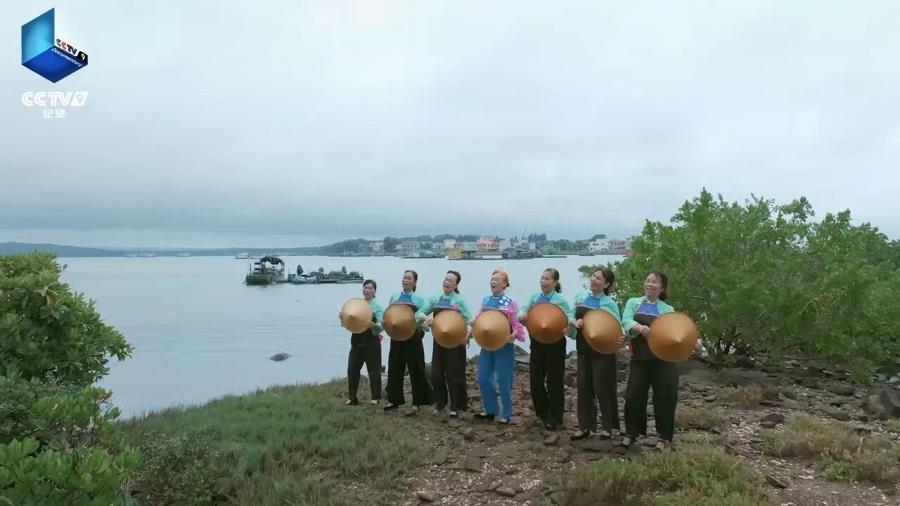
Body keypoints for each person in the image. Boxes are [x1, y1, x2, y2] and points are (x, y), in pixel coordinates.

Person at [621, 270, 677, 450]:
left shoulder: (668, 310)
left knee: (664, 398)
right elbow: (626, 321)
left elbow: (673, 333)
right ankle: (632, 432)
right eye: (647, 281)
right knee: (632, 396)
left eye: (654, 282)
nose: (649, 284)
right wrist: (639, 328)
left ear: (662, 288)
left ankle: (663, 437)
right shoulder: (634, 302)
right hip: (639, 358)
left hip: (662, 360)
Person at [569, 267, 624, 440]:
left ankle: (608, 427)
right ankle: (585, 426)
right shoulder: (581, 297)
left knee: (602, 387)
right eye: (593, 276)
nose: (593, 280)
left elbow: (617, 327)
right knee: (583, 386)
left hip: (602, 351)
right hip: (583, 348)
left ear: (606, 284)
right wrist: (574, 321)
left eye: (598, 278)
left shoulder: (609, 303)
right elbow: (570, 314)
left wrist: (620, 339)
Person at [517, 268, 571, 430]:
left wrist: (569, 327)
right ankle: (542, 411)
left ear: (555, 282)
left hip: (555, 343)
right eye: (542, 278)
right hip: (537, 341)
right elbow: (523, 310)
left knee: (554, 381)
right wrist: (522, 316)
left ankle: (555, 416)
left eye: (547, 279)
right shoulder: (535, 297)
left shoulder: (560, 300)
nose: (543, 281)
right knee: (535, 379)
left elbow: (569, 318)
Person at [416, 270, 473, 418]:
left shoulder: (459, 301)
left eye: (450, 281)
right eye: (446, 279)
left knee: (454, 375)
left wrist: (467, 335)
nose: (446, 282)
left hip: (455, 343)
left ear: (456, 285)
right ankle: (440, 404)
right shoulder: (435, 298)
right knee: (436, 374)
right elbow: (419, 314)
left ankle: (455, 406)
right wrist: (426, 319)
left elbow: (469, 321)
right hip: (439, 341)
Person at [473, 269, 527, 424]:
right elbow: (479, 319)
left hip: (504, 345)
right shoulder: (486, 300)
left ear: (504, 284)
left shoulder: (510, 302)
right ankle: (490, 410)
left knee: (504, 379)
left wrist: (514, 335)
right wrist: (470, 331)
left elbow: (516, 325)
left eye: (497, 280)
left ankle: (506, 414)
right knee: (483, 377)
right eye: (492, 279)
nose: (493, 282)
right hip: (487, 344)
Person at [384, 270, 433, 411]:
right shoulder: (394, 297)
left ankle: (417, 402)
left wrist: (423, 323)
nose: (405, 280)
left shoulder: (419, 300)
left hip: (413, 339)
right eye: (404, 278)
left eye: (408, 278)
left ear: (414, 282)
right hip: (396, 338)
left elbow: (424, 324)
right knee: (394, 369)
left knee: (416, 370)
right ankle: (394, 400)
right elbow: (389, 317)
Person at [338, 279, 384, 405]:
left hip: (372, 341)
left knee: (374, 371)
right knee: (352, 369)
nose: (367, 290)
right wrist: (343, 318)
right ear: (362, 289)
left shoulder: (378, 307)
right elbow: (347, 325)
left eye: (370, 288)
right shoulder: (356, 304)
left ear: (375, 291)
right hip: (356, 340)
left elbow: (382, 326)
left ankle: (375, 398)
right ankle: (352, 397)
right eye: (365, 287)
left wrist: (374, 325)